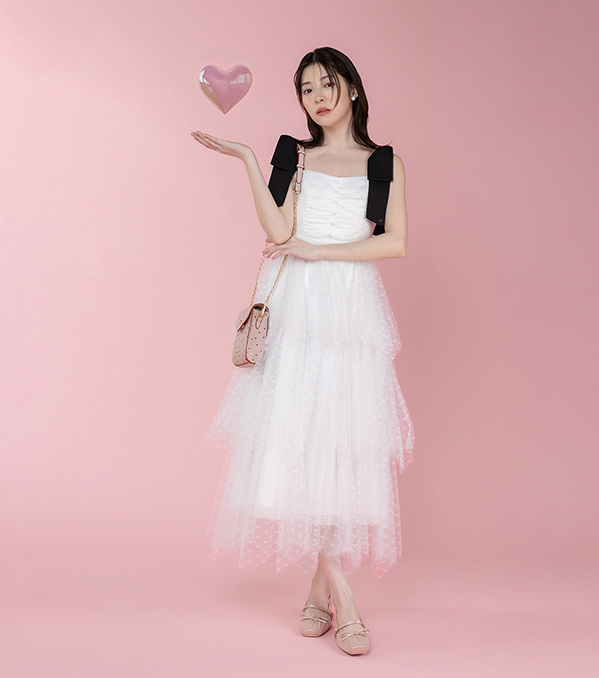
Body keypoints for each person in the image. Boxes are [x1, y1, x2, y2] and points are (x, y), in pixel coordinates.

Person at [191, 46, 414, 656]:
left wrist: (322, 251)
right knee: (298, 433)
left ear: (353, 90)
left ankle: (318, 591)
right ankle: (342, 592)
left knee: (339, 437)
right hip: (295, 306)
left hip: (351, 308)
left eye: (328, 84)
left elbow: (394, 242)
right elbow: (278, 231)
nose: (317, 97)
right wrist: (248, 159)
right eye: (307, 88)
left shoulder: (385, 163)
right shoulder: (293, 153)